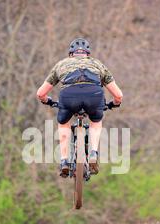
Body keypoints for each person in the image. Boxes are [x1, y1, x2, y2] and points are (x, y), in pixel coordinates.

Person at [36, 38, 123, 177]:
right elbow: (118, 95)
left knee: (63, 124)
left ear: (71, 53)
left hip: (69, 96)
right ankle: (93, 152)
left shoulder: (62, 64)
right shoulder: (97, 64)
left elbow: (40, 93)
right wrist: (114, 103)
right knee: (96, 121)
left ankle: (64, 161)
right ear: (88, 53)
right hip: (94, 95)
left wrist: (48, 101)